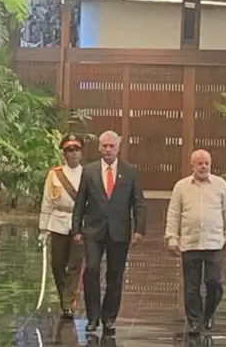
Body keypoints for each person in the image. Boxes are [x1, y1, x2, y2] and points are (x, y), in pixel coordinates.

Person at [71, 130, 146, 335]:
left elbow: (138, 202)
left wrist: (139, 229)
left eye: (111, 146)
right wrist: (76, 229)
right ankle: (92, 317)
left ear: (118, 148)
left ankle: (109, 317)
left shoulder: (129, 172)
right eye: (104, 146)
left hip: (119, 231)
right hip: (93, 230)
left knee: (115, 275)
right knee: (92, 270)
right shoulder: (89, 171)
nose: (107, 150)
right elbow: (80, 202)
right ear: (99, 148)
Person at [165, 149, 226, 335]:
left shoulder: (220, 185)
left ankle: (209, 313)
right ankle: (195, 321)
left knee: (214, 283)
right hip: (190, 243)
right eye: (200, 163)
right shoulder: (181, 186)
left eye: (206, 163)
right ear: (192, 166)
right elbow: (173, 213)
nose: (203, 166)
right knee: (191, 286)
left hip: (215, 243)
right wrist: (172, 237)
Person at [38, 135, 85, 319]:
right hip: (58, 222)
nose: (73, 154)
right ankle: (64, 296)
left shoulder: (88, 173)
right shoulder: (55, 174)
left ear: (81, 152)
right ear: (64, 153)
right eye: (69, 150)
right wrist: (43, 229)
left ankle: (68, 303)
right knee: (57, 264)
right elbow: (47, 201)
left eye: (76, 150)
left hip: (79, 222)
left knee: (75, 264)